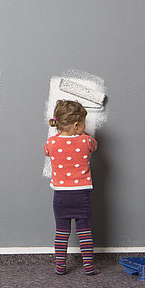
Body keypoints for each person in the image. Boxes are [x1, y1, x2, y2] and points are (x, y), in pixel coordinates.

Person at [43, 100, 99, 276]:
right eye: (83, 123)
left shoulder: (51, 142)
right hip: (82, 194)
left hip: (61, 196)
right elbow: (94, 146)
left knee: (61, 232)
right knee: (84, 232)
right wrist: (84, 134)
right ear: (76, 125)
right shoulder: (86, 141)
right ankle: (88, 267)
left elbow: (46, 151)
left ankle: (60, 267)